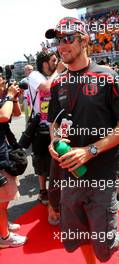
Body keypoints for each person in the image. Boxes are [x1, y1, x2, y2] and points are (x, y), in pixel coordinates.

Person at [46, 17, 119, 263]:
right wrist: (54, 143)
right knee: (79, 237)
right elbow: (55, 125)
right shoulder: (58, 84)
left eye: (67, 39)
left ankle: (118, 242)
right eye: (58, 40)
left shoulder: (108, 77)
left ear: (84, 40)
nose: (61, 45)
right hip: (69, 175)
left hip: (102, 175)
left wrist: (89, 150)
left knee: (105, 246)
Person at [27, 51, 61, 205]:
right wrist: (59, 71)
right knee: (41, 160)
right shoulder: (35, 75)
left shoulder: (55, 74)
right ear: (45, 63)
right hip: (40, 126)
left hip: (57, 124)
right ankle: (43, 191)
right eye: (54, 60)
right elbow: (46, 88)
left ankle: (58, 190)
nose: (57, 62)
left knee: (59, 158)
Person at [0, 74, 27, 248]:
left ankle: (3, 226)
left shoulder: (4, 99)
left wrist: (14, 99)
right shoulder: (4, 100)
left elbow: (16, 113)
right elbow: (3, 116)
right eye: (1, 82)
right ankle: (4, 238)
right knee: (1, 201)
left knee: (5, 199)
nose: (3, 84)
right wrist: (9, 96)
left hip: (5, 153)